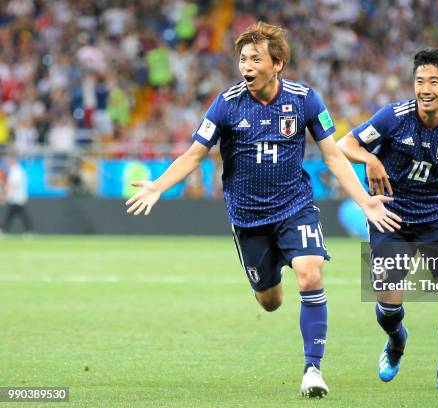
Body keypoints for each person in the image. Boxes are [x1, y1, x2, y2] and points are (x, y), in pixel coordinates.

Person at [125, 22, 400, 398]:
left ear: (278, 64)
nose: (246, 66)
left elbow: (333, 156)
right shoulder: (227, 103)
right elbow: (194, 154)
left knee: (309, 273)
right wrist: (158, 185)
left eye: (255, 58)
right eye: (242, 59)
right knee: (269, 301)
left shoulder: (305, 100)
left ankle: (312, 370)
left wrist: (364, 200)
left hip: (294, 207)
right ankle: (271, 281)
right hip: (248, 218)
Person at [338, 49, 438, 391]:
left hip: (435, 218)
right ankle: (397, 339)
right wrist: (370, 159)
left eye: (433, 81)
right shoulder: (393, 117)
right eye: (419, 81)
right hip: (390, 217)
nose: (425, 88)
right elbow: (344, 145)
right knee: (388, 304)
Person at [1, 155, 33, 234]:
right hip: (15, 197)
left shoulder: (17, 170)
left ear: (13, 161)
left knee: (15, 214)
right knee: (14, 214)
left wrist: (5, 194)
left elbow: (14, 184)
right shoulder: (14, 170)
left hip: (17, 197)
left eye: (9, 161)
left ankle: (29, 230)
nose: (7, 163)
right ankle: (28, 230)